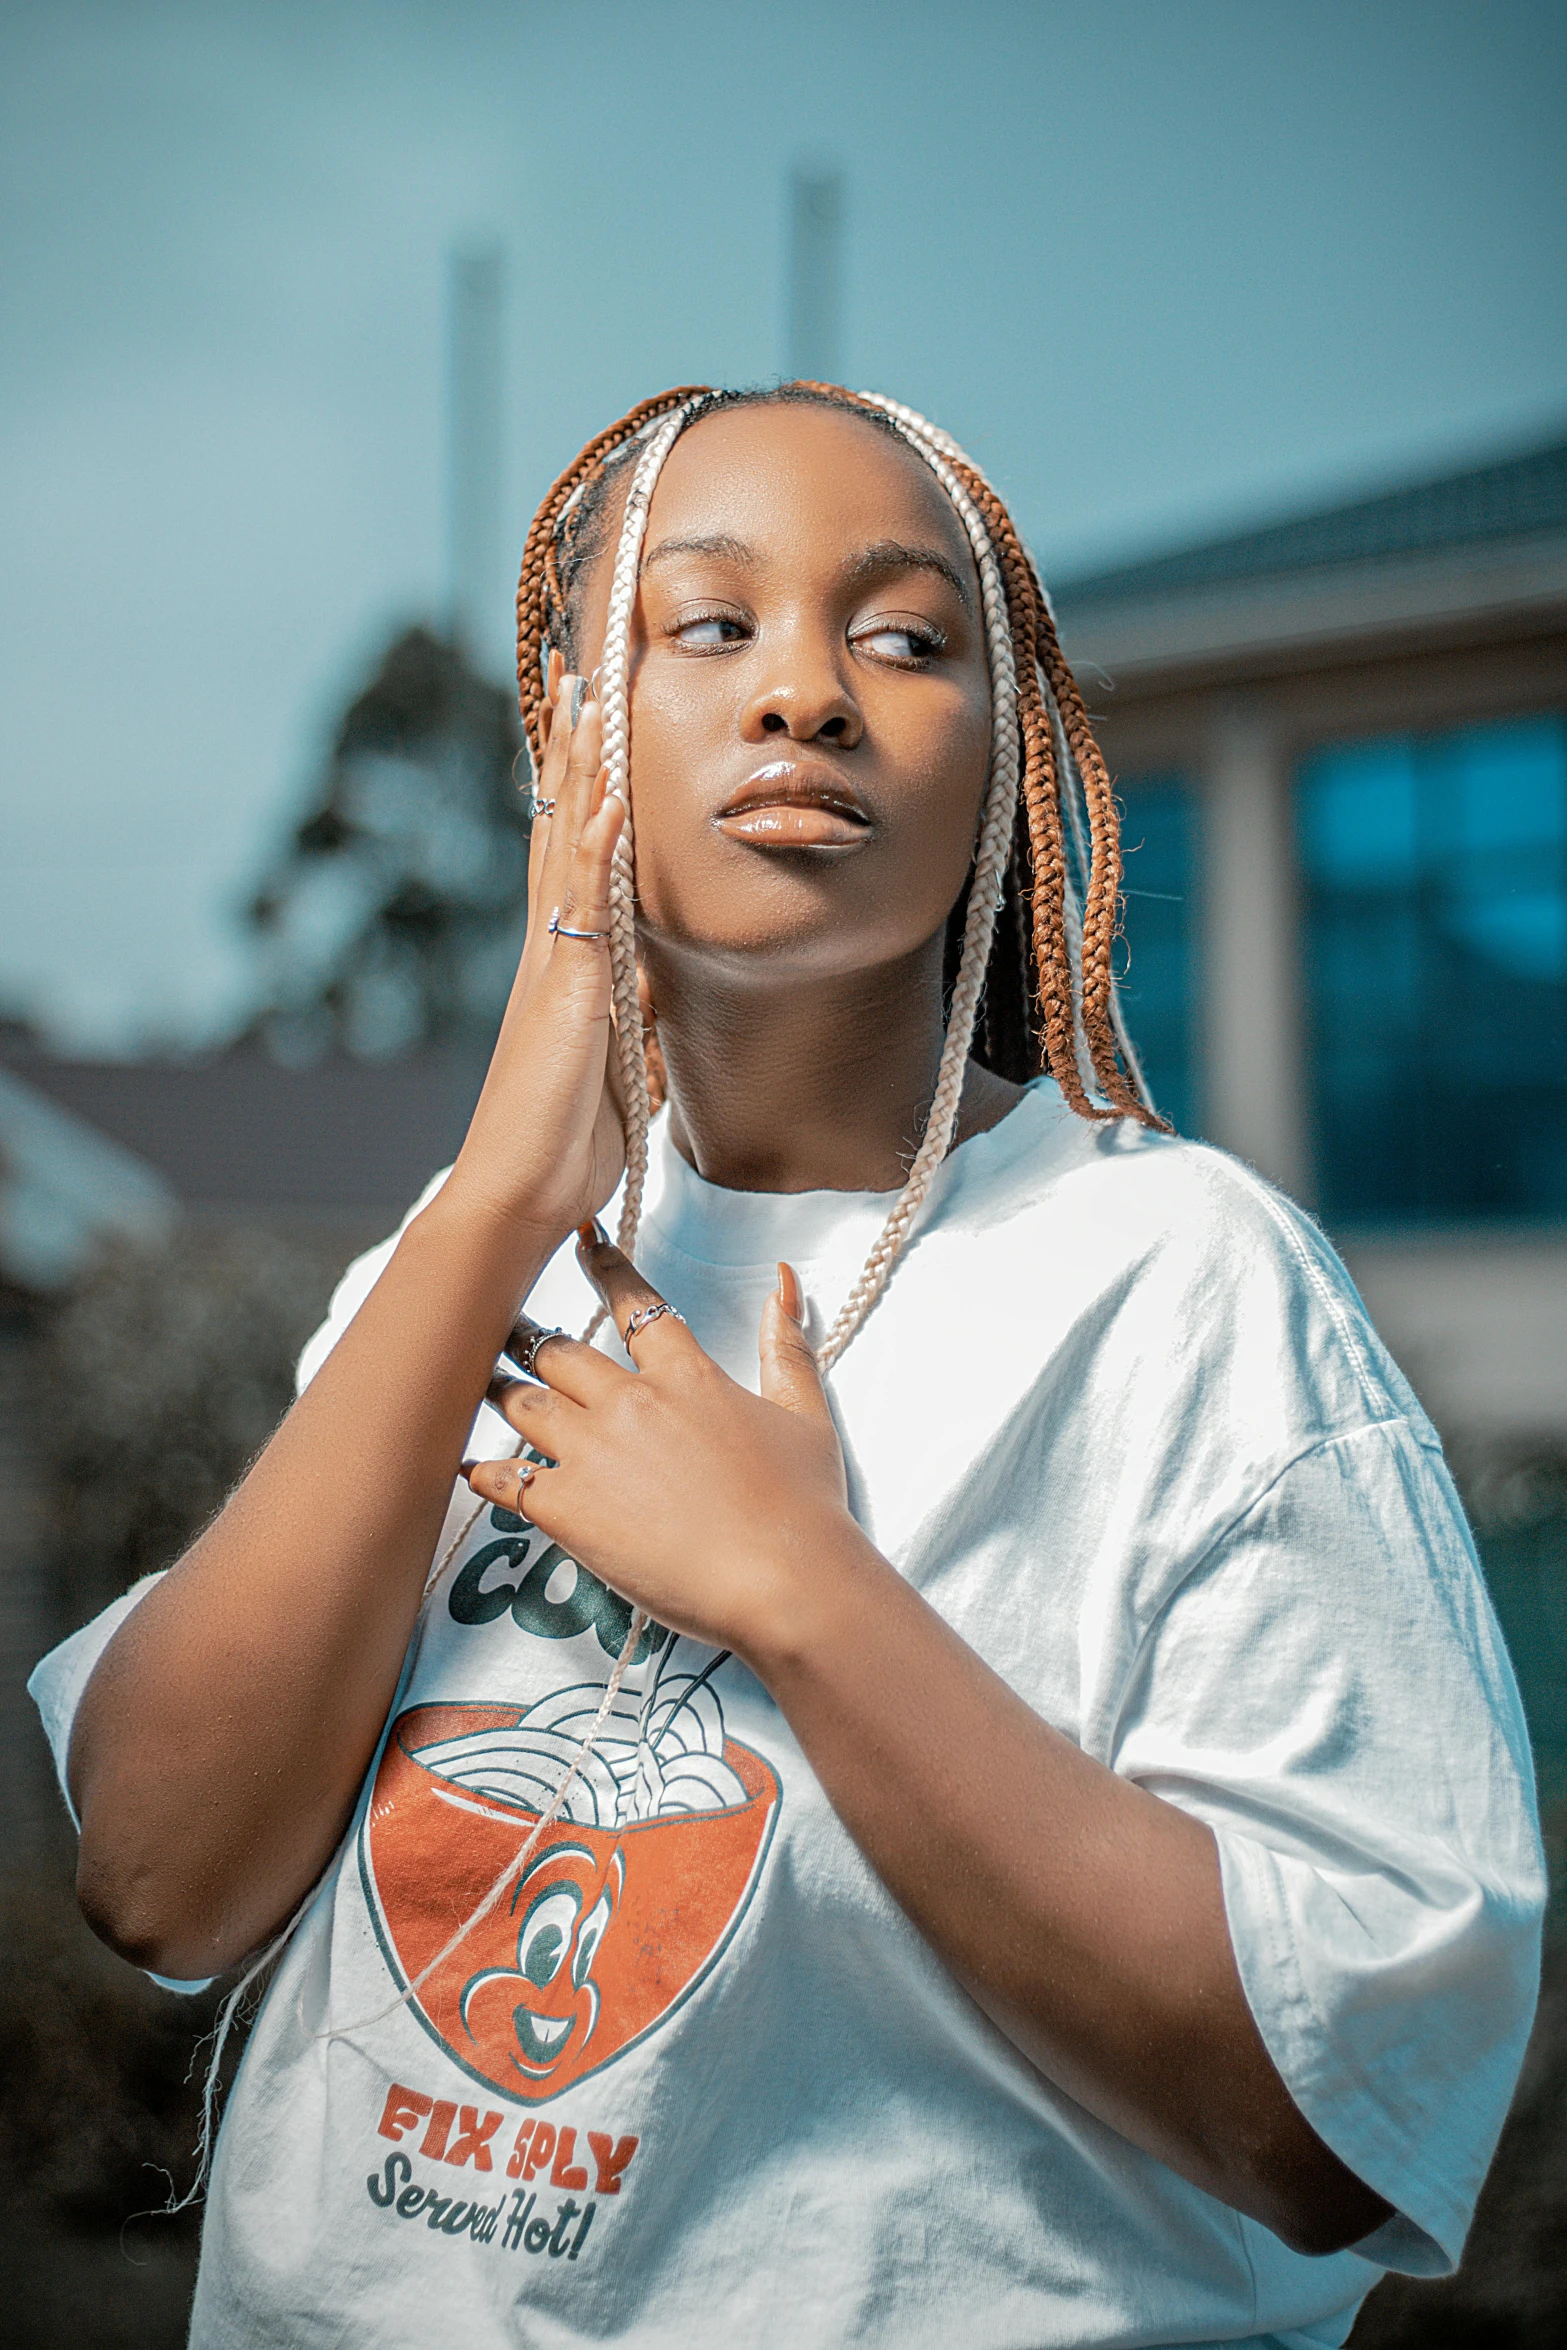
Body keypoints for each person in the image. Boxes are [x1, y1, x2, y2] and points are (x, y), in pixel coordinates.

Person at [31, 385, 1543, 2349]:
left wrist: (803, 1592)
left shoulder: (1179, 1277)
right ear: (577, 735)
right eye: (709, 623)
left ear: (1000, 764)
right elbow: (157, 1873)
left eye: (906, 637)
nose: (807, 693)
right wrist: (499, 1193)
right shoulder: (451, 1258)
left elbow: (1349, 2104)